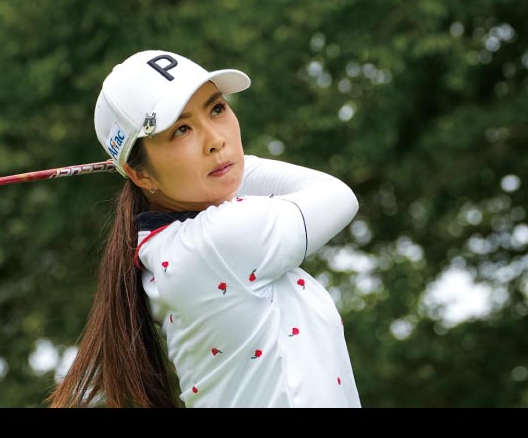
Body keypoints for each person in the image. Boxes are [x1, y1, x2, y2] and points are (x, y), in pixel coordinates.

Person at [48, 50, 360, 408]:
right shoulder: (217, 242)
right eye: (181, 130)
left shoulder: (171, 247)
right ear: (140, 175)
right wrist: (231, 165)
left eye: (217, 109)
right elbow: (338, 196)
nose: (215, 139)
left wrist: (210, 166)